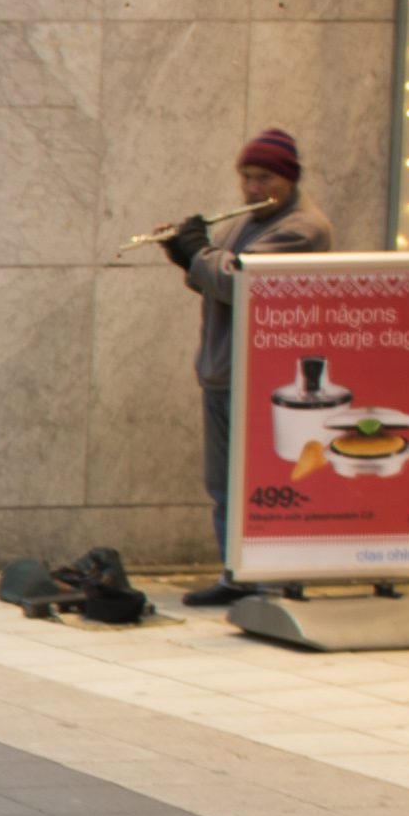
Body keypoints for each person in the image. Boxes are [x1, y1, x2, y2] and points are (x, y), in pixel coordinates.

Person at [160, 126, 335, 605]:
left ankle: (264, 577)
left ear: (288, 178)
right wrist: (186, 255)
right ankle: (234, 575)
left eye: (264, 178)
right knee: (222, 483)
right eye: (246, 178)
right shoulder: (248, 222)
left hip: (258, 375)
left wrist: (197, 251)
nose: (253, 189)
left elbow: (244, 284)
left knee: (254, 482)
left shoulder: (303, 227)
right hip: (221, 367)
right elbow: (217, 278)